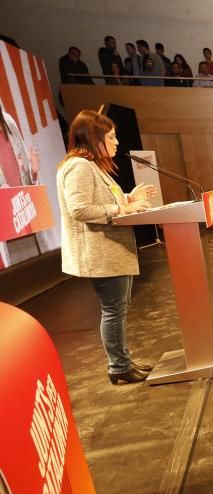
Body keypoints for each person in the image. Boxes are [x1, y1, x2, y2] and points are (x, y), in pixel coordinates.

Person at [57, 110, 159, 384]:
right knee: (113, 309)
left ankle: (123, 361)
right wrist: (122, 208)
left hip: (111, 249)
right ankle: (119, 368)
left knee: (118, 308)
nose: (116, 143)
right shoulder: (79, 166)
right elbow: (79, 208)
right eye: (111, 137)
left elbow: (99, 202)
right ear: (93, 137)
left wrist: (128, 198)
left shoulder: (92, 167)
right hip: (100, 252)